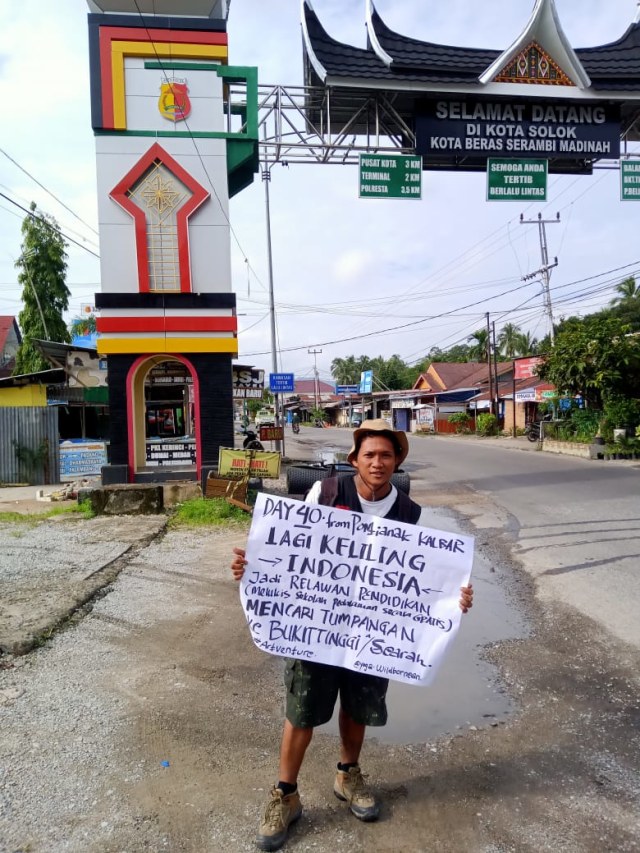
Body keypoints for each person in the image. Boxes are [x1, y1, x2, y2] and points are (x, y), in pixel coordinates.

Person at [231, 419, 474, 851]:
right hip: (316, 627)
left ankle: (348, 773)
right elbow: (291, 550)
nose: (378, 462)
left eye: (386, 455)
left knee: (358, 707)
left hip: (370, 631)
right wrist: (253, 565)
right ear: (354, 461)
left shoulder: (408, 512)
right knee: (302, 710)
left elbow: (415, 578)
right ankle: (284, 794)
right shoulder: (325, 494)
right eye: (370, 455)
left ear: (397, 461)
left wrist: (453, 598)